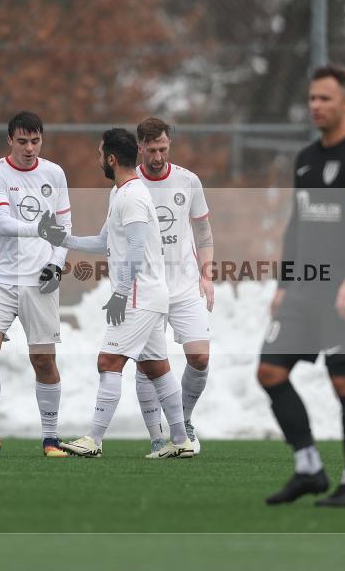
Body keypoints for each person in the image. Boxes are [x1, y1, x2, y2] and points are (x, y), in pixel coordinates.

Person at [259, 64, 345, 507]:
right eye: (312, 98)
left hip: (341, 290)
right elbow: (296, 223)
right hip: (304, 289)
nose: (316, 105)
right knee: (270, 372)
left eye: (325, 98)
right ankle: (309, 468)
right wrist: (284, 282)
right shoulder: (307, 158)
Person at [38, 128, 193, 459]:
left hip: (139, 295)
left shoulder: (131, 196)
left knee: (108, 361)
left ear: (110, 158)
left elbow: (136, 248)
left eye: (99, 154)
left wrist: (122, 293)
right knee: (156, 367)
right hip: (149, 295)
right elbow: (103, 241)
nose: (98, 160)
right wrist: (61, 239)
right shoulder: (121, 193)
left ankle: (93, 439)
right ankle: (181, 440)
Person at [0, 111, 72, 458]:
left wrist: (56, 264)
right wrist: (41, 228)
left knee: (42, 359)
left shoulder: (54, 173)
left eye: (35, 141)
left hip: (39, 279)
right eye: (22, 141)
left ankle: (51, 438)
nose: (29, 148)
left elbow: (64, 225)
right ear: (10, 140)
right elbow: (3, 222)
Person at [132, 117, 214, 456]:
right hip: (147, 287)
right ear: (140, 147)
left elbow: (204, 232)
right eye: (151, 150)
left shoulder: (188, 180)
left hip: (184, 285)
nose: (157, 156)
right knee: (148, 362)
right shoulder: (128, 185)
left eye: (163, 149)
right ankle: (156, 435)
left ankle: (184, 419)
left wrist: (207, 275)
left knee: (199, 356)